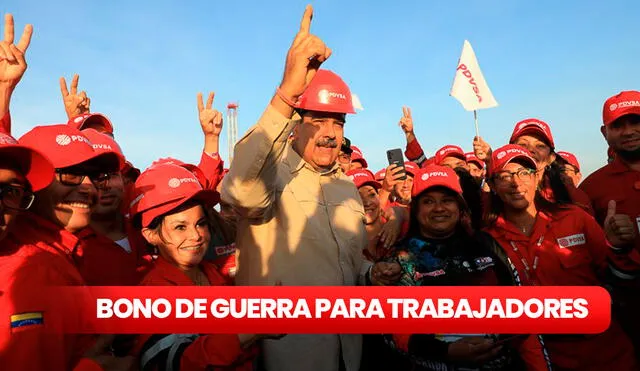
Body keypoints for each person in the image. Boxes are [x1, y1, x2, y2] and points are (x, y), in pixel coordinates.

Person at [221, 6, 400, 371]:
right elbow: (240, 189)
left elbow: (346, 264)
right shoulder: (271, 176)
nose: (331, 133)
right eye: (318, 120)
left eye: (338, 122)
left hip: (349, 353)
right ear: (294, 126)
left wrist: (370, 275)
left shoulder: (347, 188)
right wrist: (287, 93)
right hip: (287, 355)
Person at [484, 144, 638, 370]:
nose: (516, 183)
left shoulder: (574, 218)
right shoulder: (487, 241)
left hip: (606, 353)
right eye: (505, 176)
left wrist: (617, 247)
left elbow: (619, 278)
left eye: (524, 173)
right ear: (492, 186)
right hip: (542, 358)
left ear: (537, 178)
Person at [385, 165, 549, 371]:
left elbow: (522, 307)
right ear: (415, 210)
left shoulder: (485, 244)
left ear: (460, 206)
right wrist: (446, 352)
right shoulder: (401, 258)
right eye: (428, 201)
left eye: (447, 200)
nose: (439, 208)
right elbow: (392, 330)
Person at [129, 163, 273, 370]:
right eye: (180, 227)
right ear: (150, 235)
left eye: (201, 223)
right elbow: (171, 362)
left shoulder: (214, 274)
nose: (196, 235)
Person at [579, 90, 640, 360]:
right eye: (618, 125)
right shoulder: (591, 188)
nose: (628, 131)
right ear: (605, 133)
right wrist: (612, 244)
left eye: (636, 122)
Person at [473, 118, 593, 214]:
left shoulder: (573, 197)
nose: (531, 150)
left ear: (552, 156)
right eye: (523, 144)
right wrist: (490, 162)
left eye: (540, 146)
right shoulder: (503, 194)